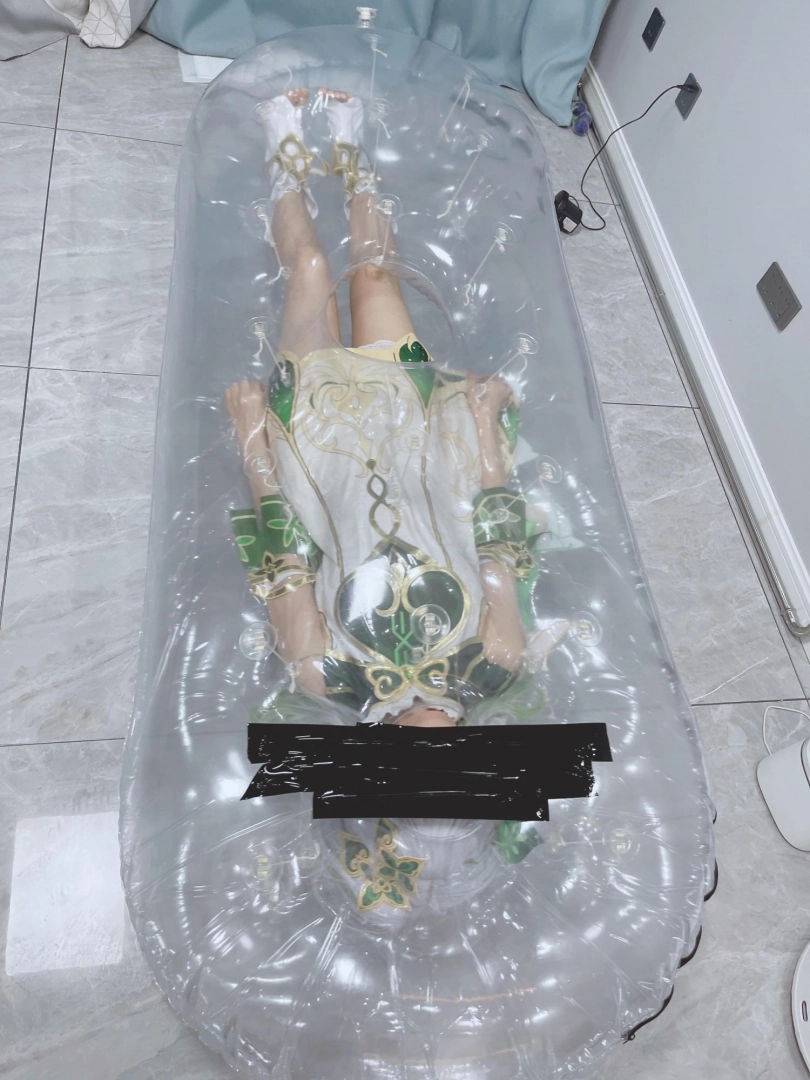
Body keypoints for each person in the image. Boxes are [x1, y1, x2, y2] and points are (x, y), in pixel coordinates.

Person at [225, 88, 550, 731]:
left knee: (311, 269)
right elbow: (499, 542)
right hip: (414, 426)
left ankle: (284, 157)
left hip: (317, 434)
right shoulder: (496, 662)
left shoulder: (325, 678)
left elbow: (284, 555)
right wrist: (483, 425)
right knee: (375, 273)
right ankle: (353, 158)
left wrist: (253, 438)